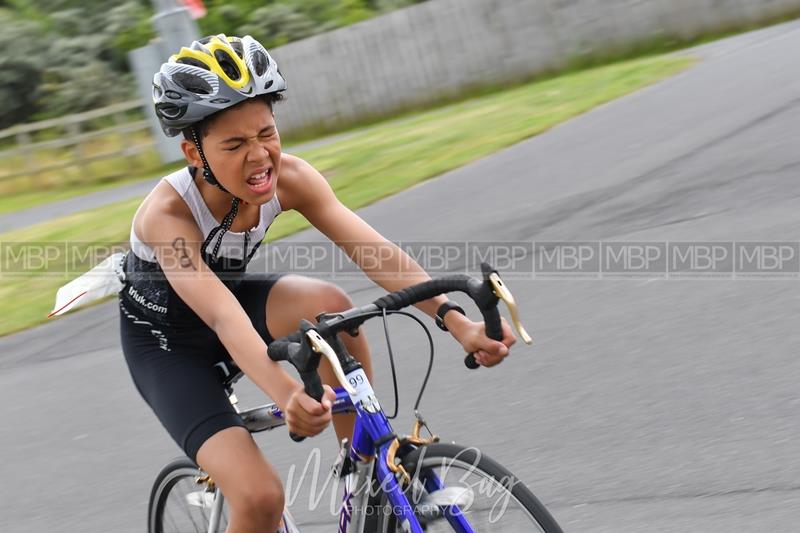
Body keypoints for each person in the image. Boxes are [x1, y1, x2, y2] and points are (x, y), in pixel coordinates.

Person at [119, 34, 515, 533]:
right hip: (169, 346)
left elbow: (373, 251)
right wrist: (288, 394)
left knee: (332, 308)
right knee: (261, 498)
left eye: (266, 132)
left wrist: (457, 323)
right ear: (193, 152)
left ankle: (364, 472)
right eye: (235, 144)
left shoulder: (291, 177)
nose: (259, 156)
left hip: (233, 306)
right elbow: (221, 316)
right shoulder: (168, 216)